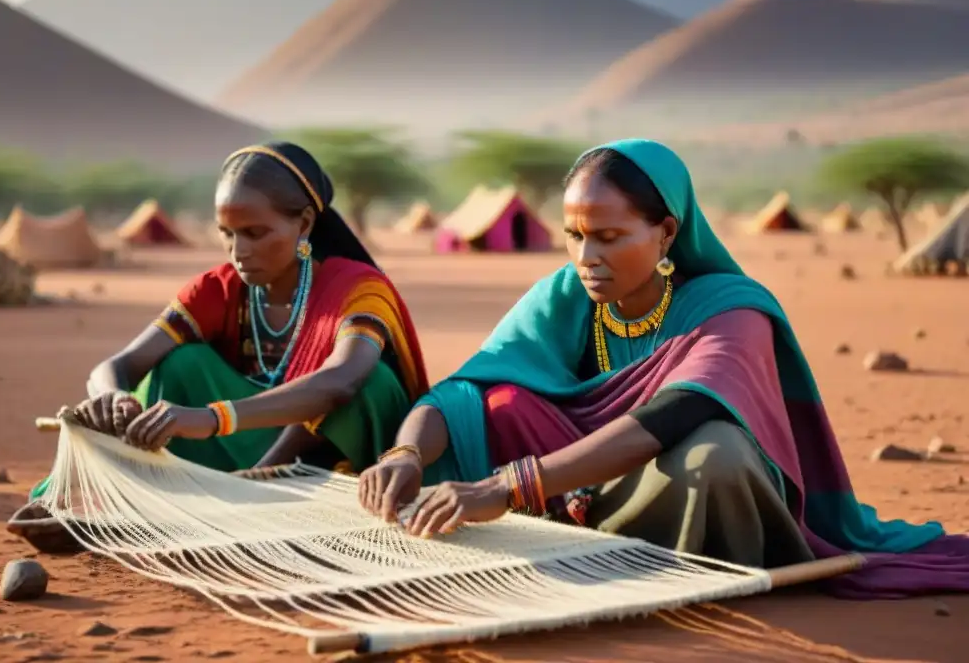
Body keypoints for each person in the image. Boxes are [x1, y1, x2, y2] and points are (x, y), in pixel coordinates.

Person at [360, 138, 969, 598]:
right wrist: (405, 456)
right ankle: (572, 543)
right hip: (567, 493)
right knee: (498, 403)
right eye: (573, 236)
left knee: (717, 454)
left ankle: (640, 563)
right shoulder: (566, 296)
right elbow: (461, 391)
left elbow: (671, 415)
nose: (586, 257)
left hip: (664, 495)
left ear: (666, 232)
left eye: (608, 236)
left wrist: (507, 487)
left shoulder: (731, 309)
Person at [28, 141, 429, 499]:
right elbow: (117, 366)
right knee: (182, 362)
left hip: (326, 462)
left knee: (368, 382)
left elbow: (340, 380)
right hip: (240, 444)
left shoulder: (358, 287)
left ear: (304, 223)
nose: (239, 251)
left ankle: (259, 489)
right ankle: (198, 488)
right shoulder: (217, 289)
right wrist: (112, 396)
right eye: (227, 233)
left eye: (255, 233)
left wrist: (211, 418)